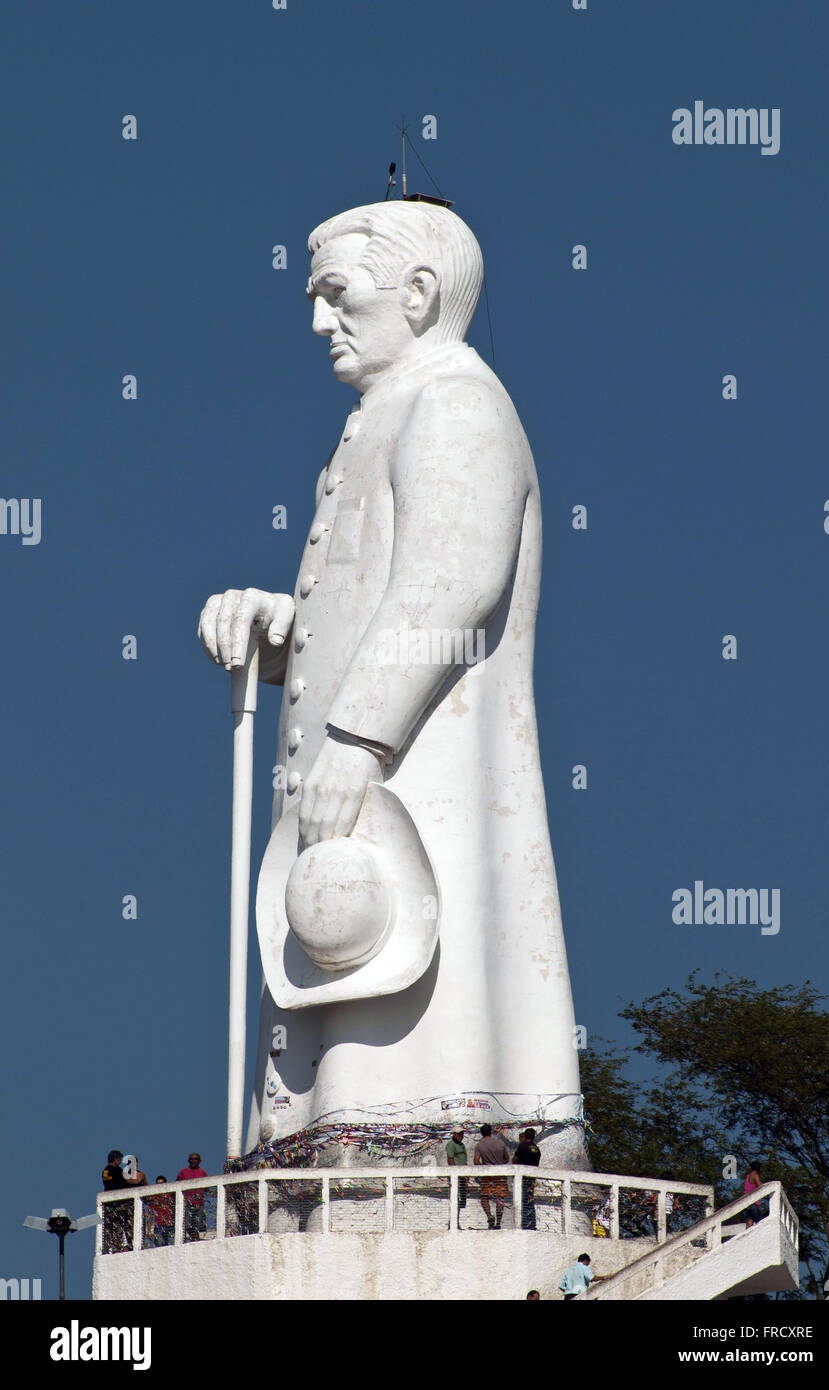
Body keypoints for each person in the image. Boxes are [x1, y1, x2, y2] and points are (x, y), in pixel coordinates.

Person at [199, 199, 586, 1171]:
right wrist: (280, 631)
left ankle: (395, 1139)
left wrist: (360, 737)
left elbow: (452, 583)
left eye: (335, 295)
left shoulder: (454, 401)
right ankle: (320, 1141)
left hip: (414, 766)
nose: (317, 322)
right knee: (342, 971)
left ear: (415, 294)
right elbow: (370, 592)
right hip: (358, 775)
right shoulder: (387, 411)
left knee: (411, 978)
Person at [101, 1150, 146, 1252]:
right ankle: (130, 1245)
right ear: (115, 1159)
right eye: (120, 1159)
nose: (121, 1161)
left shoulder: (105, 1171)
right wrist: (138, 1180)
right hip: (120, 1203)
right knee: (128, 1224)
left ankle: (115, 1246)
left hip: (109, 1204)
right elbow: (128, 1180)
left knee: (114, 1227)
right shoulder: (117, 1170)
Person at [473, 1123, 510, 1229]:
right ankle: (498, 1223)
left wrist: (484, 1167)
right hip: (500, 1175)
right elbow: (506, 1159)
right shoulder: (500, 1143)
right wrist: (498, 1163)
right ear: (491, 1132)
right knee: (500, 1199)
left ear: (481, 1133)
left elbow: (476, 1161)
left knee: (484, 1197)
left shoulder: (479, 1145)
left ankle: (489, 1216)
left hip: (487, 1175)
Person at [513, 1127, 541, 1230]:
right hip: (532, 1178)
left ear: (525, 1135)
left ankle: (525, 1223)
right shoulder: (537, 1149)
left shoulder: (522, 1147)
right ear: (534, 1136)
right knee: (530, 1199)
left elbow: (515, 1160)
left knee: (523, 1200)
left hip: (522, 1178)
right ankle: (532, 1223)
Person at [177, 1152, 209, 1242]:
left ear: (200, 1161)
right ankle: (193, 1239)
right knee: (188, 1225)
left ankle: (196, 1240)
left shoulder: (203, 1173)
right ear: (188, 1161)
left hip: (199, 1204)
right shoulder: (183, 1172)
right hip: (187, 1204)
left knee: (199, 1225)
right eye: (191, 1159)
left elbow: (207, 1188)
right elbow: (176, 1185)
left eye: (195, 1159)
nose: (193, 1161)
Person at [445, 1124, 469, 1228]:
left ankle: (456, 1221)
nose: (461, 1135)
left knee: (460, 1200)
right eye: (459, 1134)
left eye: (462, 1133)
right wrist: (455, 1174)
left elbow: (464, 1160)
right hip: (456, 1176)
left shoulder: (462, 1145)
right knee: (455, 1198)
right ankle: (453, 1222)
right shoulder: (451, 1145)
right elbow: (450, 1160)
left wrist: (467, 1176)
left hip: (463, 1176)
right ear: (454, 1134)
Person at [148, 1176, 174, 1248]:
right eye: (158, 1184)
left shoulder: (170, 1196)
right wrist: (149, 1230)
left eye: (161, 1183)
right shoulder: (154, 1198)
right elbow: (150, 1214)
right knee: (159, 1246)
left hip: (170, 1225)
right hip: (159, 1226)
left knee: (172, 1246)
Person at [743, 1162, 768, 1228]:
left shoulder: (748, 1176)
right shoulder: (755, 1176)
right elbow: (760, 1186)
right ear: (759, 1168)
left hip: (745, 1203)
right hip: (753, 1203)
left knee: (749, 1224)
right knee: (760, 1223)